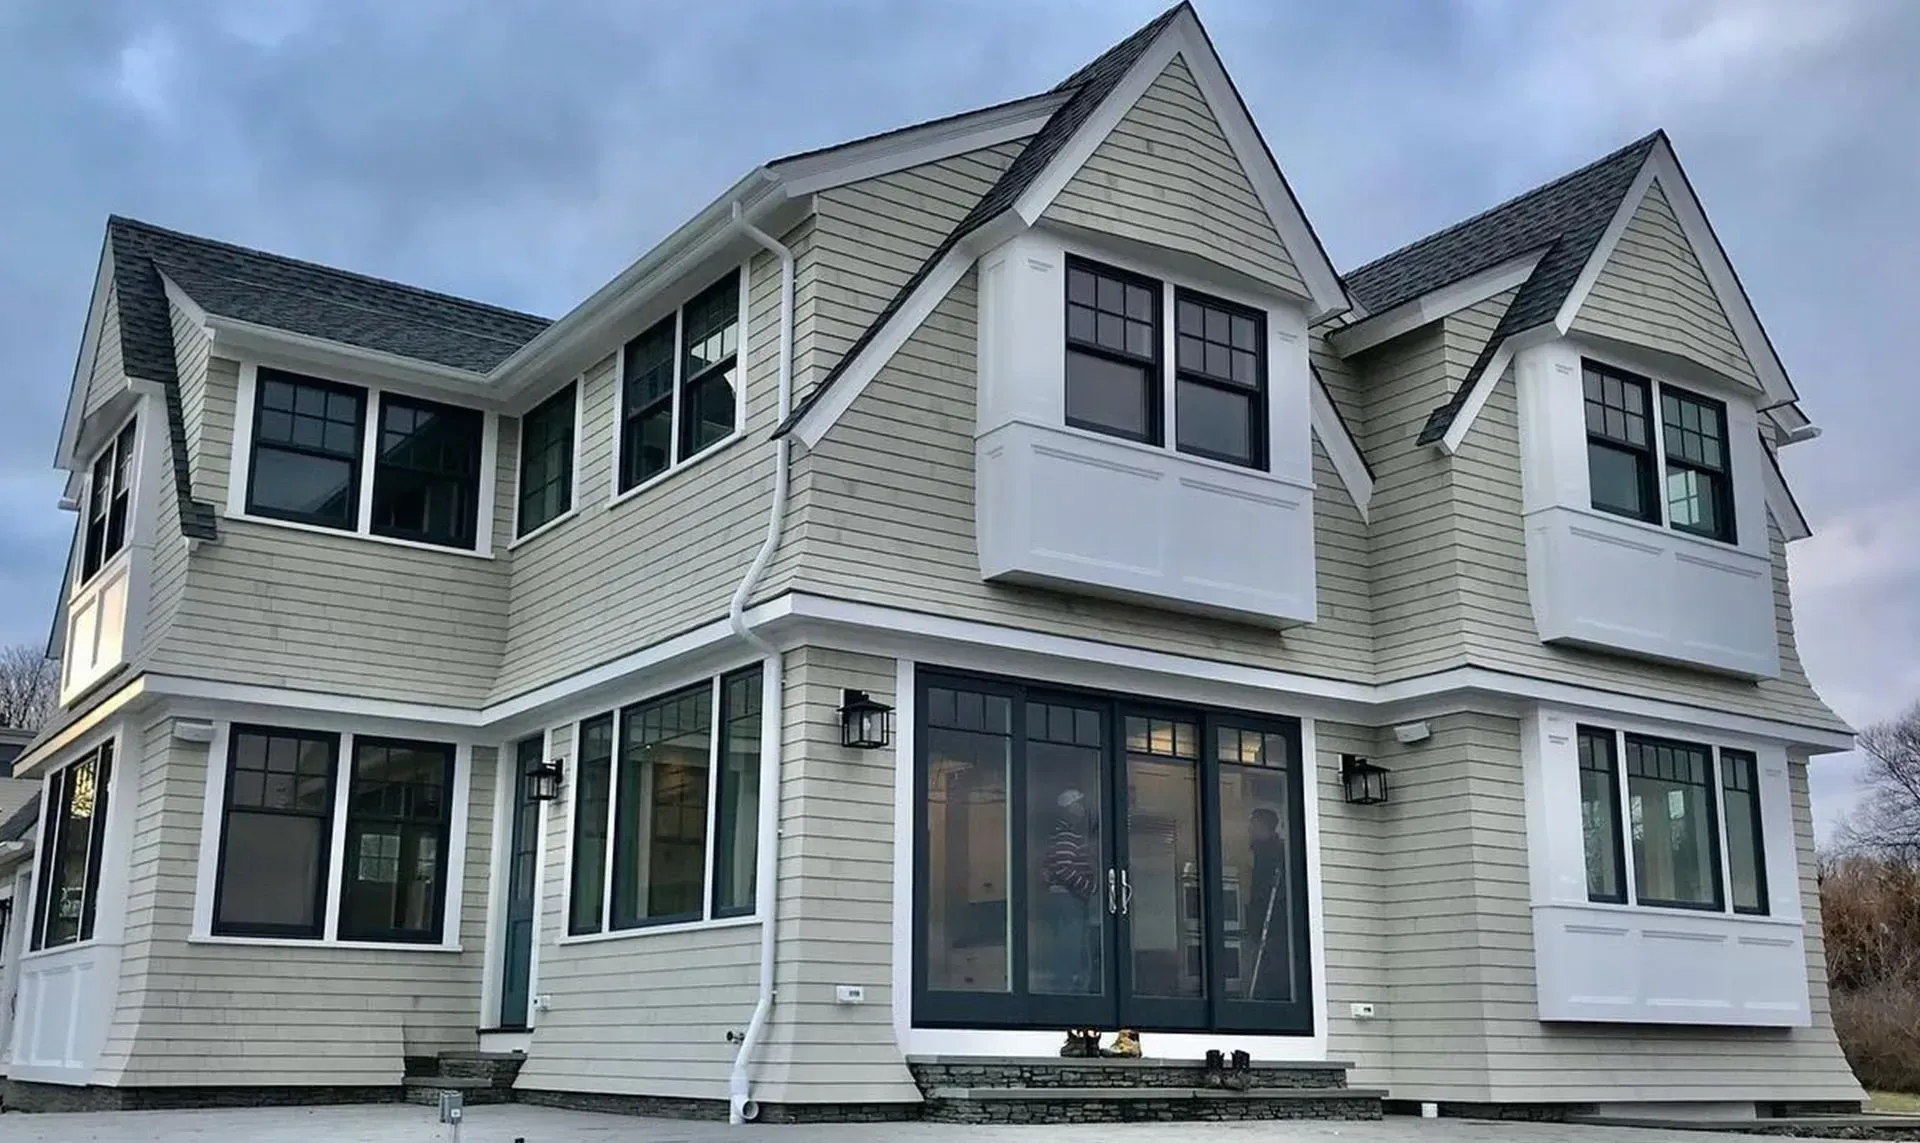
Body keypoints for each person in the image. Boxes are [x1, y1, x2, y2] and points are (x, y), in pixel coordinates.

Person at [1041, 789, 1098, 996]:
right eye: (1078, 805)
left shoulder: (1059, 836)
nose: (1082, 809)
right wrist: (1088, 888)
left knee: (1068, 947)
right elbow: (1064, 868)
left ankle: (1068, 989)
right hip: (1068, 899)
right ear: (1069, 809)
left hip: (1063, 898)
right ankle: (1065, 994)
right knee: (1069, 948)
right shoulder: (1066, 836)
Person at [1243, 806, 1290, 1001]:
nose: (1249, 829)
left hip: (1274, 923)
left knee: (1273, 967)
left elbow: (1273, 890)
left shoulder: (1276, 852)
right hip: (1260, 921)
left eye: (1253, 824)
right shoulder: (1259, 851)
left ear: (1264, 826)